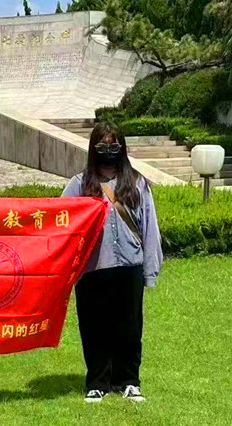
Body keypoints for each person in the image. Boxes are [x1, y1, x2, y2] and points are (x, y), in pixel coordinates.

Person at [62, 122, 162, 403]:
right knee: (94, 326)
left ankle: (128, 380)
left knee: (129, 327)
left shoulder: (138, 184)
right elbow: (62, 225)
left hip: (129, 265)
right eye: (103, 146)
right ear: (93, 149)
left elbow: (150, 227)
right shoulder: (79, 184)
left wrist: (150, 270)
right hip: (93, 268)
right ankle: (97, 382)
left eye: (113, 145)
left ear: (122, 148)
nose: (109, 151)